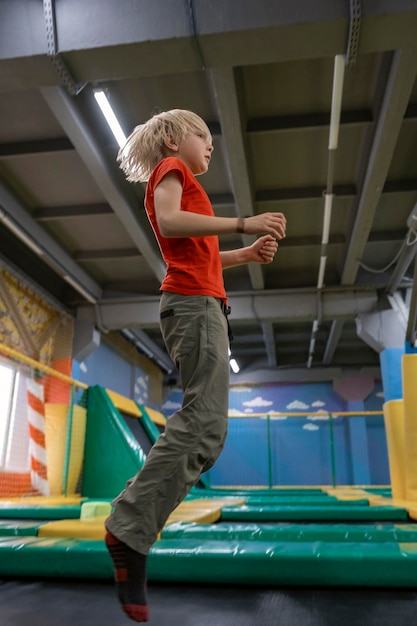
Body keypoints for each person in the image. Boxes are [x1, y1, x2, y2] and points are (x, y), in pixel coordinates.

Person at [104, 109, 286, 622]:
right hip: (194, 306)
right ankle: (129, 529)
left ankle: (132, 532)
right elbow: (168, 221)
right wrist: (243, 221)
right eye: (202, 134)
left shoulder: (185, 182)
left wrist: (245, 253)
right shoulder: (172, 171)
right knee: (203, 423)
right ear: (171, 138)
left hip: (205, 304)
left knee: (209, 433)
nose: (210, 144)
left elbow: (197, 250)